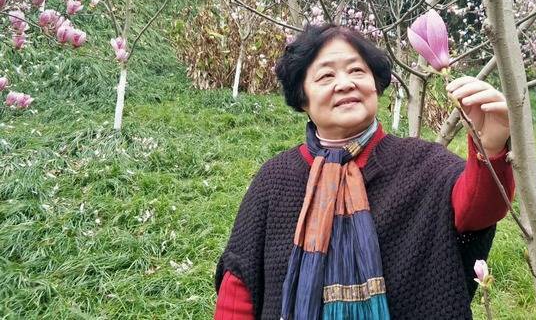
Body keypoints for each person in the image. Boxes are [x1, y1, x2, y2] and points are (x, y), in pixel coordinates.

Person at [213, 24, 516, 319]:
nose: (345, 83)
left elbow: (478, 210)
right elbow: (240, 283)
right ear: (302, 98)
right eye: (326, 75)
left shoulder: (424, 163)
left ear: (375, 83)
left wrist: (488, 149)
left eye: (357, 70)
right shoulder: (276, 178)